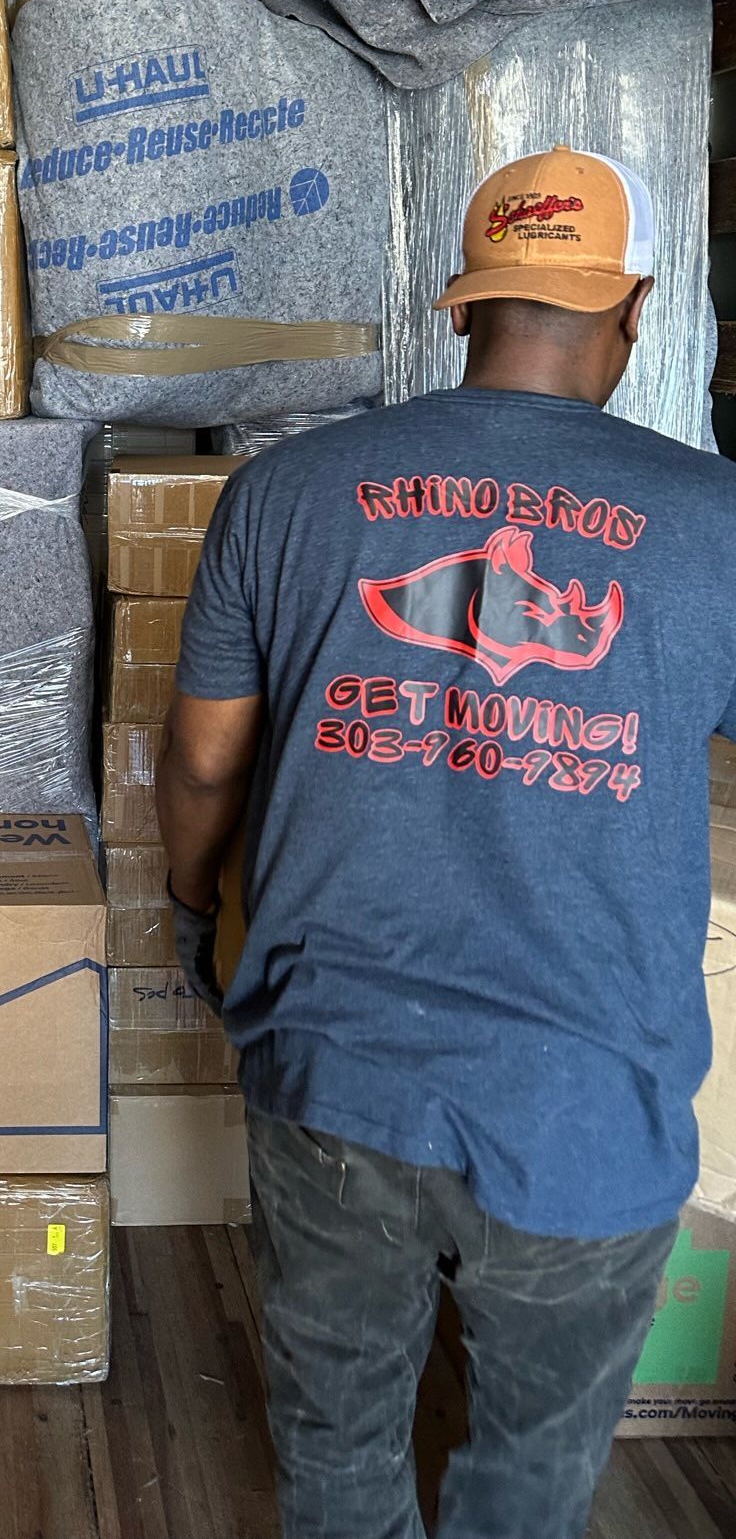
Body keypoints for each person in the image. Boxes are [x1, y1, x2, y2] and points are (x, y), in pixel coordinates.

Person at [156, 144, 736, 1539]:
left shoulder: (287, 490)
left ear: (463, 303)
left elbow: (202, 759)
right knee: (532, 1479)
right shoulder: (719, 522)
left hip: (336, 1067)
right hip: (589, 1099)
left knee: (339, 1450)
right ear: (633, 309)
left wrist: (194, 906)